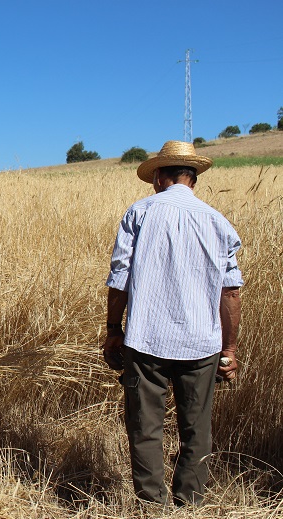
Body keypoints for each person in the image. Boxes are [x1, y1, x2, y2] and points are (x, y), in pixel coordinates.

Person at [102, 141, 243, 507]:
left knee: (145, 428)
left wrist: (114, 331)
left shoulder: (140, 213)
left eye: (154, 178)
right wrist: (228, 349)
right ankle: (189, 502)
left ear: (161, 178)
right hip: (202, 343)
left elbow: (120, 280)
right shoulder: (218, 222)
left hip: (146, 338)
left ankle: (153, 506)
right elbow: (231, 294)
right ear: (192, 180)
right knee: (197, 428)